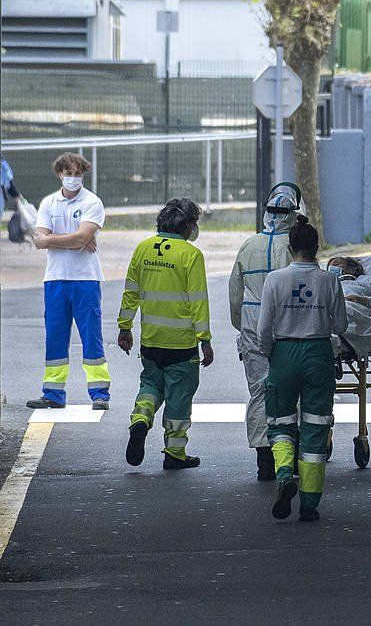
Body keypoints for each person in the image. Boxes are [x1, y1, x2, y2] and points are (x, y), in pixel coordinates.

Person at [259, 216, 347, 522]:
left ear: (290, 246)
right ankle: (309, 504)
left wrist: (272, 354)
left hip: (283, 354)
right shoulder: (329, 280)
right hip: (318, 353)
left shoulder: (275, 279)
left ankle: (285, 475)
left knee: (281, 422)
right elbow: (341, 325)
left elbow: (262, 330)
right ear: (316, 247)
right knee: (315, 426)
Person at [118, 198, 214, 471]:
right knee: (179, 397)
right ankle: (175, 453)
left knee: (150, 386)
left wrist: (125, 327)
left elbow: (131, 292)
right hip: (181, 345)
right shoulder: (190, 255)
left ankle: (140, 419)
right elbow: (198, 301)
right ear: (186, 225)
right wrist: (205, 340)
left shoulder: (143, 248)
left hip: (151, 340)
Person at [228, 182, 301, 481]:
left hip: (252, 322)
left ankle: (263, 461)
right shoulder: (293, 248)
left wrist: (241, 325)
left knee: (260, 391)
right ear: (293, 215)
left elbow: (235, 291)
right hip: (286, 327)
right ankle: (289, 455)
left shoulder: (248, 245)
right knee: (290, 390)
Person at [27, 153, 109, 410]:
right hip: (55, 279)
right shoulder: (49, 203)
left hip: (85, 279)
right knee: (55, 337)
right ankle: (52, 393)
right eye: (69, 173)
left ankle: (99, 394)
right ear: (59, 174)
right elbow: (46, 240)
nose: (73, 179)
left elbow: (55, 239)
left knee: (91, 336)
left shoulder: (93, 202)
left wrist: (58, 238)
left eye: (78, 174)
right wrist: (75, 238)